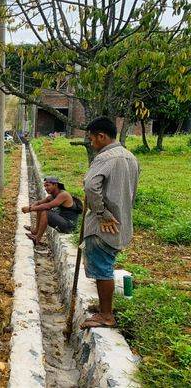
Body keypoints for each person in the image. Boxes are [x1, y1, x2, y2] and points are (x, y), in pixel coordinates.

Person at [79, 117, 140, 329]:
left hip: (104, 225)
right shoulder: (130, 157)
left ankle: (106, 315)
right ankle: (105, 308)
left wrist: (102, 213)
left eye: (92, 139)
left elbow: (90, 186)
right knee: (106, 264)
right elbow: (131, 193)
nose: (92, 143)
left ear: (102, 136)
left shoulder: (105, 158)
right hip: (122, 223)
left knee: (102, 269)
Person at [22, 177, 81, 249]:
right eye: (45, 186)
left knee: (45, 211)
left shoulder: (63, 195)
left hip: (69, 225)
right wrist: (32, 206)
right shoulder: (52, 196)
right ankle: (35, 231)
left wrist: (30, 209)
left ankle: (37, 239)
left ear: (55, 185)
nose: (46, 188)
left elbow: (47, 206)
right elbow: (39, 203)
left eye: (48, 185)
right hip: (62, 220)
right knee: (41, 208)